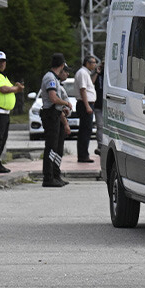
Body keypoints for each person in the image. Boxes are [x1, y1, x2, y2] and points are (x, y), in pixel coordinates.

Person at [39, 53, 72, 188]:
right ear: (62, 65)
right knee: (51, 147)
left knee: (58, 147)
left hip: (56, 114)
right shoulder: (49, 78)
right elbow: (53, 98)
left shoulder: (54, 78)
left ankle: (56, 175)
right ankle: (48, 177)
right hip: (50, 115)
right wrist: (66, 103)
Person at [74, 55, 99, 163]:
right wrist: (87, 106)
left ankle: (84, 154)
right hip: (85, 104)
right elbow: (83, 90)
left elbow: (90, 85)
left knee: (86, 130)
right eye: (93, 63)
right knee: (85, 130)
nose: (94, 65)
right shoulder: (82, 73)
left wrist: (97, 73)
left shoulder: (86, 73)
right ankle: (83, 155)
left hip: (87, 103)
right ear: (87, 63)